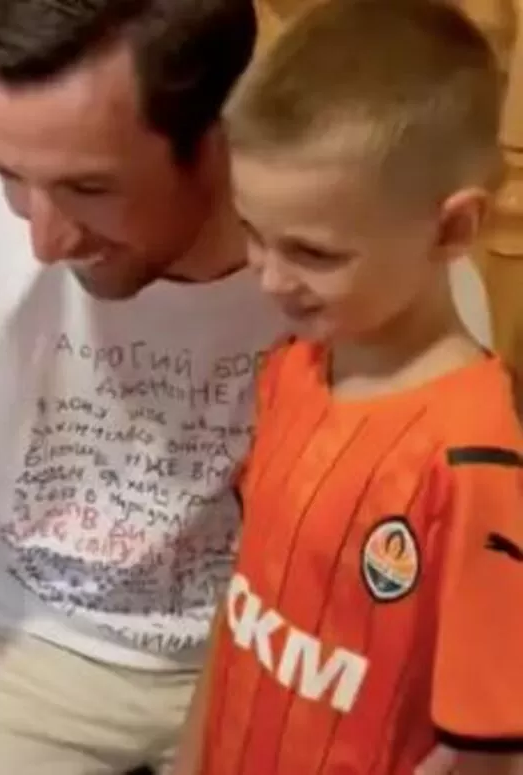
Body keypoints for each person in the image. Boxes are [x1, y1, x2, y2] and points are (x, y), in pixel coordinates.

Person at [0, 1, 493, 774]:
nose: (44, 239)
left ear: (217, 143)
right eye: (9, 175)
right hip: (34, 649)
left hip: (287, 656)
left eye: (90, 187)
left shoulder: (392, 288)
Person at [172, 1, 523, 774]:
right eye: (254, 233)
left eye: (314, 253)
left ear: (452, 230)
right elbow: (245, 607)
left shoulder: (476, 460)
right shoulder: (292, 368)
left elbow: (484, 753)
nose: (269, 278)